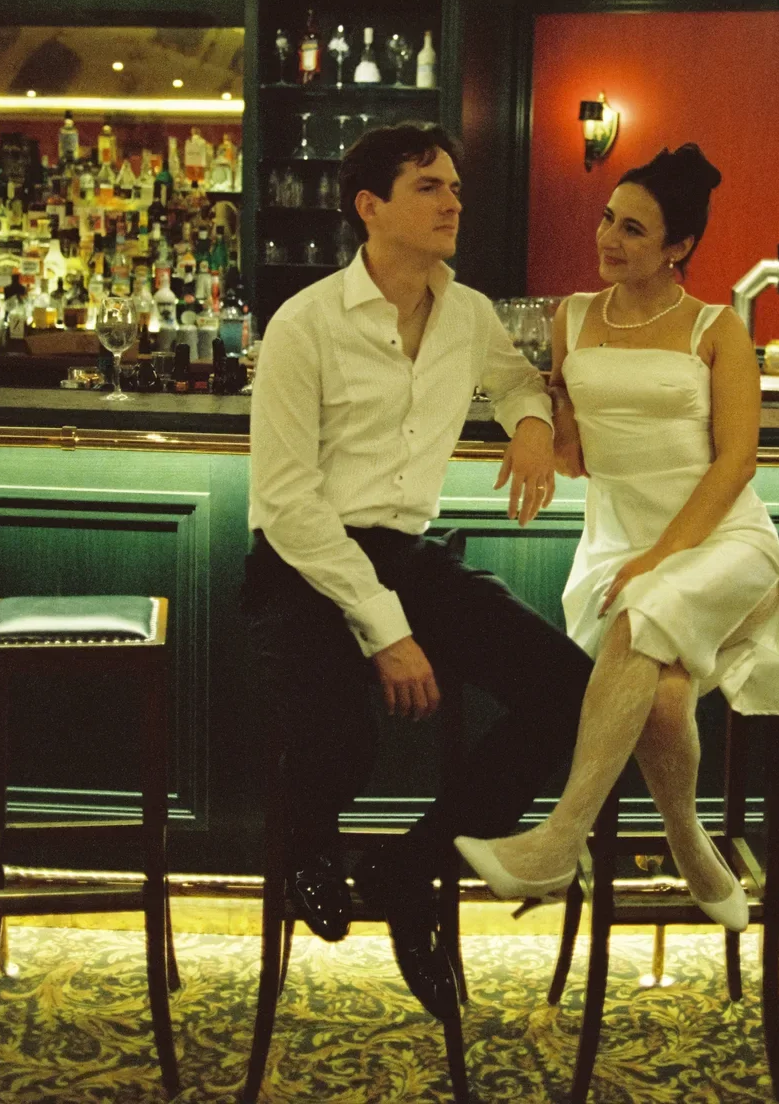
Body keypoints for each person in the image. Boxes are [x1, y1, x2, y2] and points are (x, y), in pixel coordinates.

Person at [244, 122, 592, 1019]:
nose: (453, 203)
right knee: (339, 736)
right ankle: (306, 854)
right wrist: (386, 629)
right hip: (305, 559)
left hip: (403, 551)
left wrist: (529, 425)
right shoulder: (305, 323)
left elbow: (515, 380)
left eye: (455, 188)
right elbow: (287, 503)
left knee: (568, 689)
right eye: (430, 188)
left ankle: (412, 869)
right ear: (371, 207)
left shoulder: (468, 312)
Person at [456, 143, 779, 930]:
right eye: (606, 219)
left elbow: (735, 465)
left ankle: (557, 839)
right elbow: (575, 452)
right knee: (658, 692)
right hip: (615, 543)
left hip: (725, 544)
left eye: (632, 229)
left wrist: (659, 560)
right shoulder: (572, 317)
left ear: (678, 246)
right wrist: (530, 423)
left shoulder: (716, 330)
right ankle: (689, 839)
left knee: (645, 609)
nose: (608, 239)